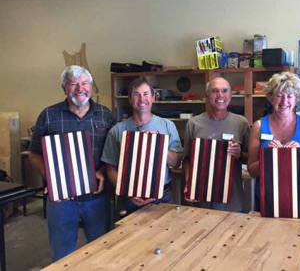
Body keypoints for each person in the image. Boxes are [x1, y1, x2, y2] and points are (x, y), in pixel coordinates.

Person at [28, 65, 115, 262]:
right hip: (61, 203)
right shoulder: (48, 115)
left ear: (91, 86)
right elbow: (34, 154)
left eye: (84, 83)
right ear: (64, 88)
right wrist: (52, 179)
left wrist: (102, 170)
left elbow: (112, 152)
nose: (79, 88)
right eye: (73, 84)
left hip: (97, 198)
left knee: (101, 252)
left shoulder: (105, 115)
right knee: (62, 255)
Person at [247, 71, 300, 222]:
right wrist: (268, 156)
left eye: (289, 96)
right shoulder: (259, 126)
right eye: (279, 95)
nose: (284, 101)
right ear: (271, 98)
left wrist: (299, 156)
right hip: (268, 198)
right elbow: (252, 171)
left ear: (296, 99)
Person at [101, 78, 183, 216]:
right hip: (128, 199)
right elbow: (110, 168)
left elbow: (176, 162)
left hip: (161, 196)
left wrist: (158, 145)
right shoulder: (117, 130)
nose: (141, 99)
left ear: (153, 97)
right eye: (136, 94)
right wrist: (126, 192)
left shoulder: (167, 126)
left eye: (145, 94)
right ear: (130, 98)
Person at [182, 77, 250, 212]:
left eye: (225, 91)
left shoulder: (241, 123)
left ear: (230, 96)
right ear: (207, 95)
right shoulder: (194, 124)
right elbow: (187, 159)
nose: (220, 95)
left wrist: (239, 154)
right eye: (215, 91)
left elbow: (251, 158)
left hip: (233, 203)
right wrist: (190, 184)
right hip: (201, 201)